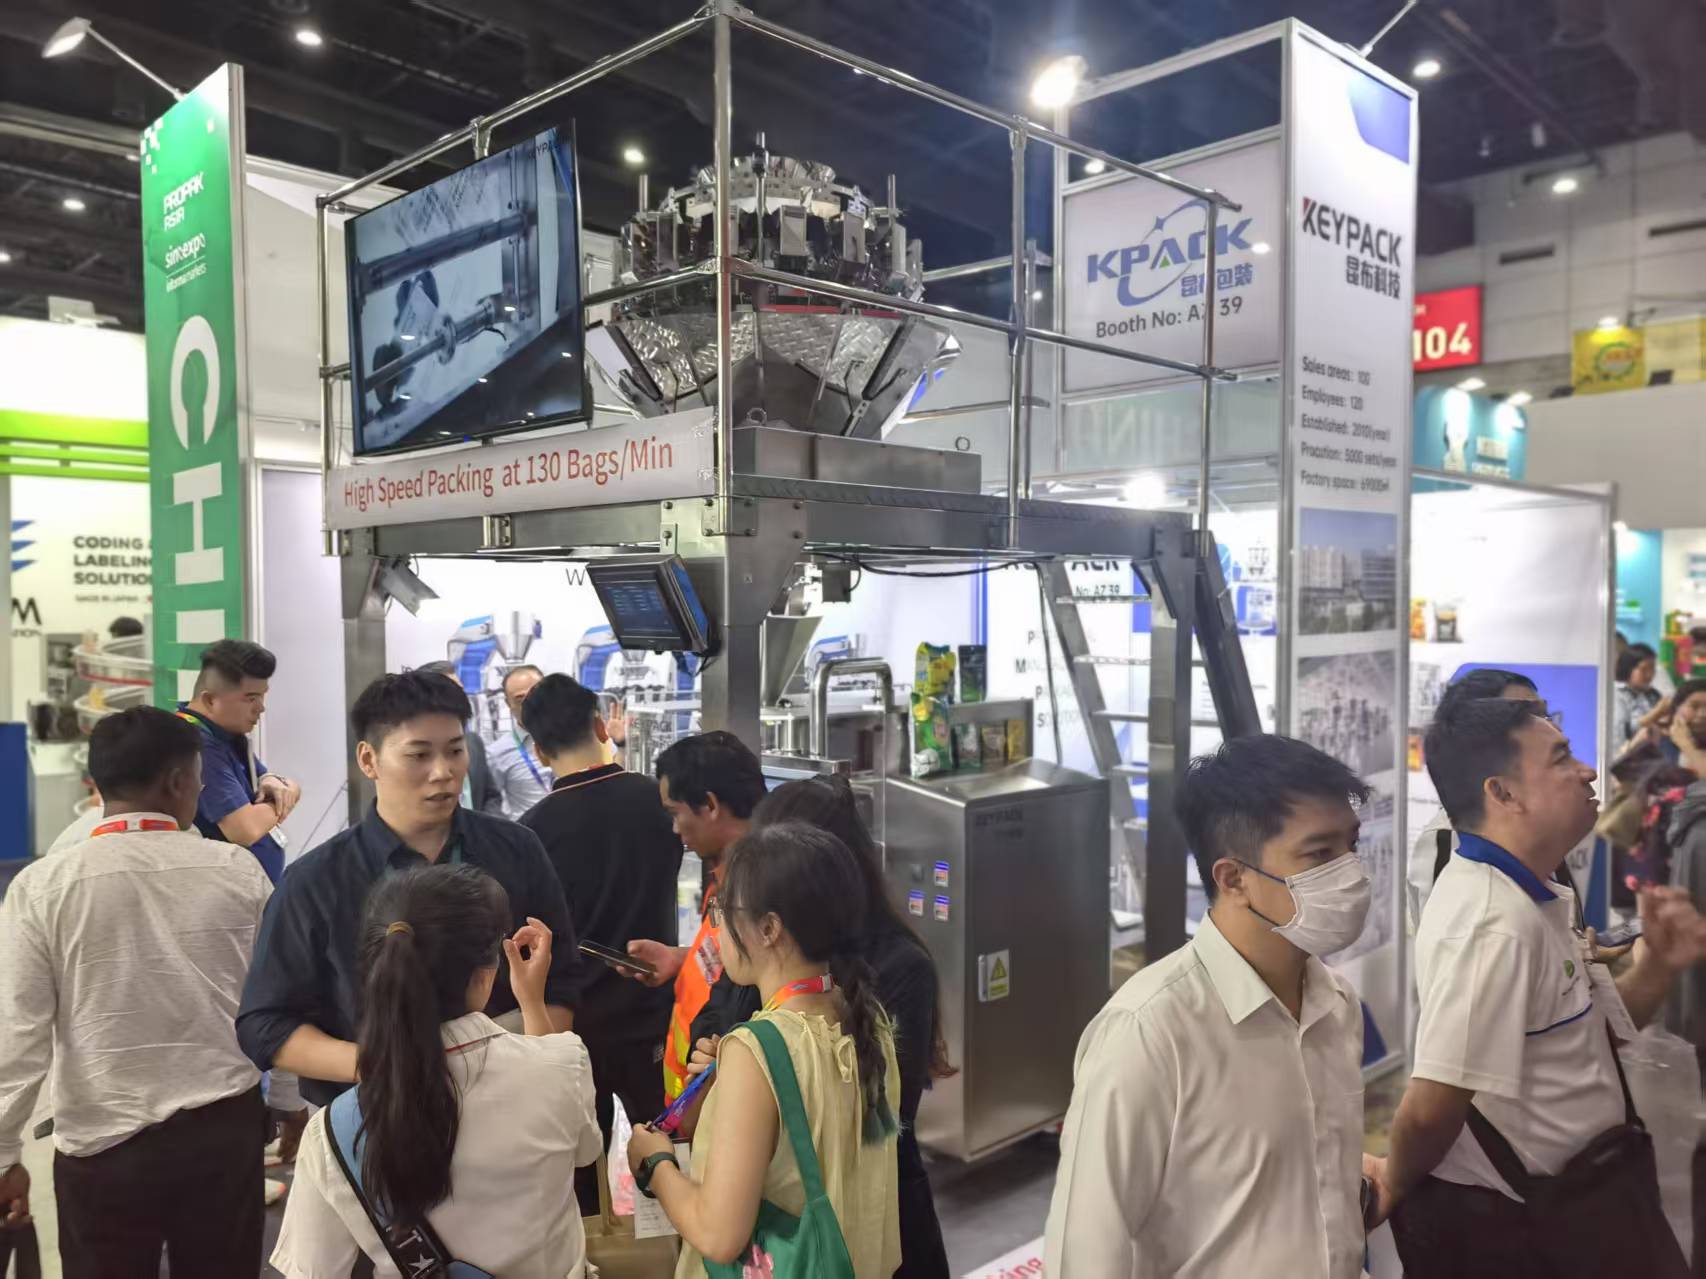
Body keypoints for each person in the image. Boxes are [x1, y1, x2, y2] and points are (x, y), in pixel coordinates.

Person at [1378, 695, 1706, 1277]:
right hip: (1531, 1231)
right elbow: (1430, 1109)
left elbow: (1587, 1039)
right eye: (1561, 758)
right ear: (1503, 793)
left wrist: (1658, 966)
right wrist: (1391, 1185)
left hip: (1591, 1198)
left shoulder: (1534, 894)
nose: (1588, 771)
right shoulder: (1490, 923)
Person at [1044, 734, 1375, 1279]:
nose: (1351, 872)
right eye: (1320, 854)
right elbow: (1086, 1254)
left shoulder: (1336, 1006)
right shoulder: (1149, 1033)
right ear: (1234, 878)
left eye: (1351, 844)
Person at [0, 706, 272, 1276]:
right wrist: (291, 1104)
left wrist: (3, 1155)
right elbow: (274, 1002)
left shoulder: (41, 886)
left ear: (98, 781)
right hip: (223, 1135)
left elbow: (18, 1034)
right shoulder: (238, 871)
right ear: (177, 782)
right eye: (198, 777)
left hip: (101, 1143)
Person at [236, 670, 581, 1108]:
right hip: (370, 1116)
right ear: (369, 760)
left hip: (506, 1106)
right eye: (419, 755)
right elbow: (265, 1024)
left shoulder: (516, 850)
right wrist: (388, 1065)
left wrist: (511, 1061)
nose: (443, 772)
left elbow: (562, 981)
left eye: (455, 751)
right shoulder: (317, 881)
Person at [272, 865, 600, 1277]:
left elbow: (313, 1270)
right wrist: (532, 1003)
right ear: (485, 975)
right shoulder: (562, 1065)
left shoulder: (334, 1133)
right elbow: (585, 1151)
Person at [626, 821, 901, 1278]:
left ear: (769, 928)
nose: (716, 928)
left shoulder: (757, 1050)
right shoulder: (868, 1017)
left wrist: (655, 1162)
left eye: (720, 910)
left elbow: (718, 1235)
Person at [736, 776, 952, 1279]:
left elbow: (884, 1114)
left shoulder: (901, 966)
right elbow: (721, 1014)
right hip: (783, 1225)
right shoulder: (768, 946)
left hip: (878, 1220)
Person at [517, 673, 682, 1214]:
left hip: (574, 1026)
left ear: (539, 751)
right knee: (668, 1151)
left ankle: (589, 1250)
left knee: (579, 1166)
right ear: (599, 725)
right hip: (654, 1015)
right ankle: (677, 1247)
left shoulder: (531, 833)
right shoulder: (658, 802)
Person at [624, 731, 767, 1101]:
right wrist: (679, 959)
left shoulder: (763, 894)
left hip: (718, 1098)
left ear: (710, 805)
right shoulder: (726, 877)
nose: (675, 829)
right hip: (691, 1097)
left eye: (676, 813)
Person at [1408, 669, 1545, 930]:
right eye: (1528, 719)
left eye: (1544, 715)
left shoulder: (1538, 820)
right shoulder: (1448, 839)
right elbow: (1450, 944)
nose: (1550, 729)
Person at [178, 638, 300, 885]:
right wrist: (283, 798)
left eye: (263, 696)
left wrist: (272, 781)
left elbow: (271, 780)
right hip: (220, 891)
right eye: (251, 698)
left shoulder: (226, 735)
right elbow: (245, 829)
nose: (261, 708)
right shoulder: (195, 745)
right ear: (210, 700)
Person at [417, 660, 502, 814]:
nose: (461, 698)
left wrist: (487, 825)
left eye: (461, 691)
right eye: (451, 692)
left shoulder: (473, 742)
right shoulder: (414, 749)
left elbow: (491, 796)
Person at [489, 664, 553, 818]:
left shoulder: (576, 738)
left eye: (536, 695)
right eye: (520, 699)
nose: (531, 704)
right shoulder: (497, 754)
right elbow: (490, 806)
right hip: (529, 831)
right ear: (508, 703)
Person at [1616, 643, 1664, 750]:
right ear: (1628, 668)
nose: (1649, 675)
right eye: (1644, 669)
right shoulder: (1617, 694)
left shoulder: (1653, 694)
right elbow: (1625, 732)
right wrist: (1657, 712)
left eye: (1652, 669)